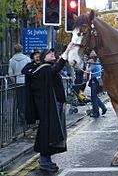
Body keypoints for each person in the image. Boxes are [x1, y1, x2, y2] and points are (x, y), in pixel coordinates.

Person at [21, 43, 73, 172]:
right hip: (48, 106)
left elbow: (58, 85)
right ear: (44, 57)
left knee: (53, 133)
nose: (53, 55)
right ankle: (44, 160)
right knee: (48, 133)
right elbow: (55, 70)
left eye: (53, 53)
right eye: (50, 54)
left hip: (56, 104)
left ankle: (46, 160)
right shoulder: (44, 69)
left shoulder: (47, 68)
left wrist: (64, 101)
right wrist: (66, 52)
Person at [8, 44, 31, 121]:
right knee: (26, 98)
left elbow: (10, 73)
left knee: (19, 99)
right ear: (22, 50)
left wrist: (14, 80)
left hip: (17, 82)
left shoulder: (11, 60)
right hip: (26, 81)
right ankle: (26, 114)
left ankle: (20, 114)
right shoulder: (27, 59)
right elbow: (30, 70)